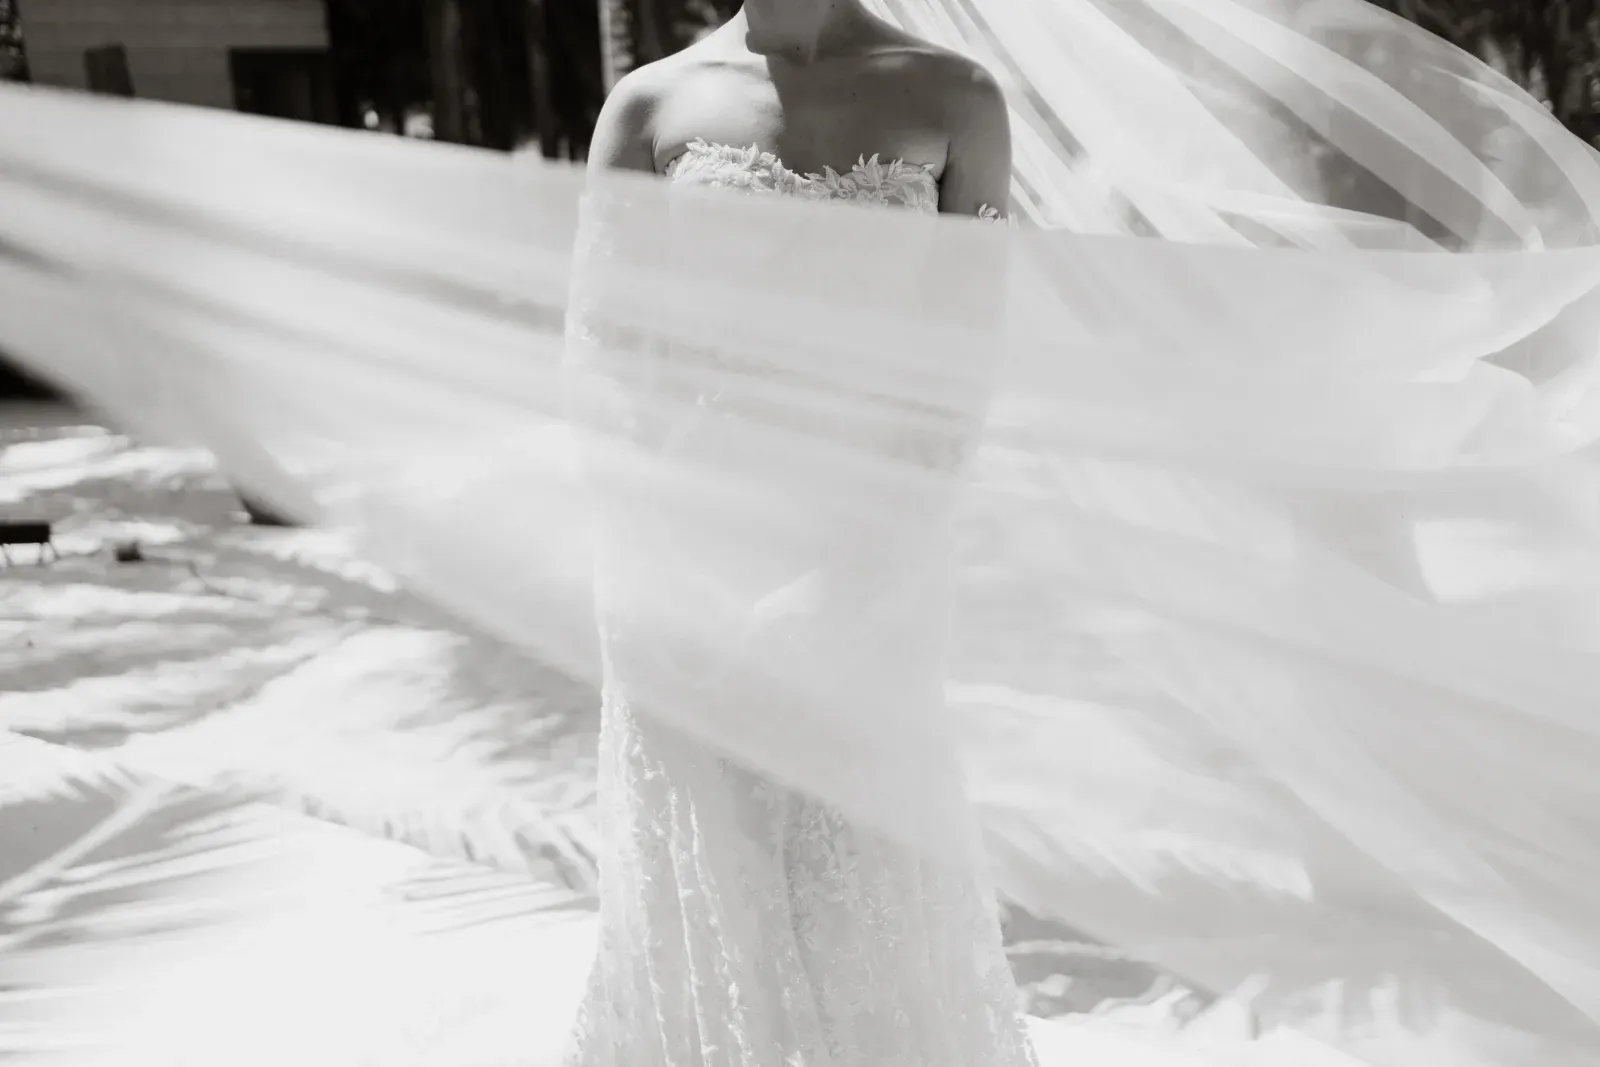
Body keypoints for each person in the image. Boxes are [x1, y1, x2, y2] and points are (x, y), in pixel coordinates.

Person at [562, 2, 1038, 1064]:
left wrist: (856, 573)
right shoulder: (648, 106)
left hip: (874, 560)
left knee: (854, 876)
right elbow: (604, 363)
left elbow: (958, 378)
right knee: (715, 878)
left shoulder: (956, 98)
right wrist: (672, 577)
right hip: (682, 565)